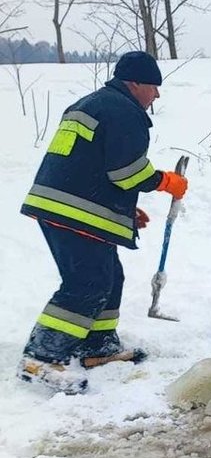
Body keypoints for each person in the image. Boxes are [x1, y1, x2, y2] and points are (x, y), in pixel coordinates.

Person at [18, 51, 189, 392]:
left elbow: (87, 164)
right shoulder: (125, 111)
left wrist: (121, 210)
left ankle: (98, 346)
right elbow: (126, 172)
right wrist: (166, 181)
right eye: (154, 87)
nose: (157, 95)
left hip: (64, 204)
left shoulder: (92, 104)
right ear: (135, 83)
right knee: (87, 283)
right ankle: (39, 358)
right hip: (74, 210)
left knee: (109, 277)